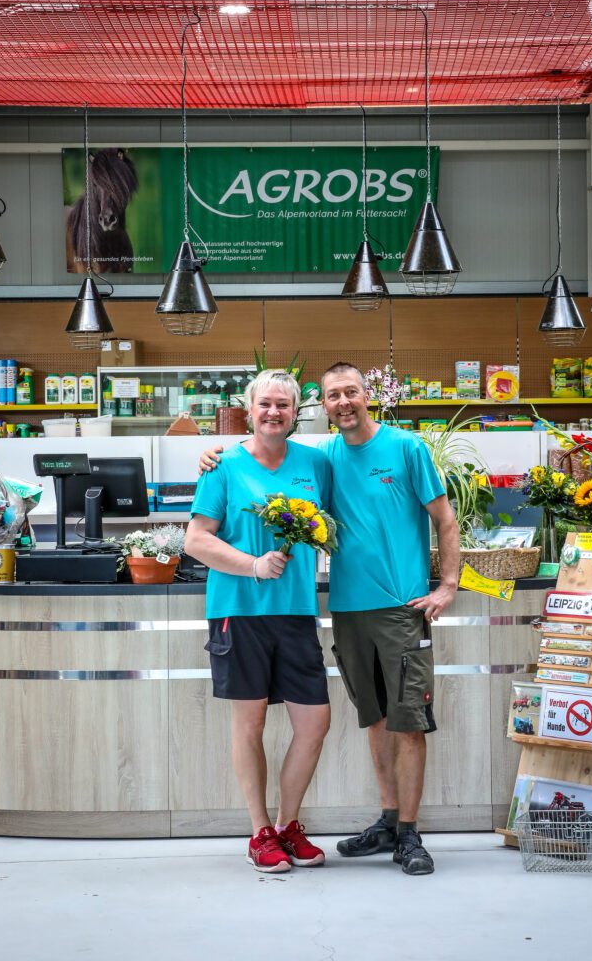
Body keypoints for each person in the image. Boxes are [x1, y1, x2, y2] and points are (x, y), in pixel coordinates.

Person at [199, 361, 460, 876]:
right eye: (334, 395)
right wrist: (212, 454)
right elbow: (210, 520)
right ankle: (367, 822)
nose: (343, 402)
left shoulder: (387, 451)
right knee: (373, 718)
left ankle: (403, 834)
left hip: (389, 606)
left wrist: (448, 584)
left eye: (351, 392)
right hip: (335, 610)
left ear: (367, 396)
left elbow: (444, 518)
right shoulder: (310, 459)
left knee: (396, 722)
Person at [185, 369, 332, 874]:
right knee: (250, 724)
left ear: (295, 413)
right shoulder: (223, 465)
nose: (274, 412)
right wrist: (252, 565)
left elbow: (331, 522)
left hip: (296, 612)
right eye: (265, 404)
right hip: (239, 611)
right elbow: (196, 539)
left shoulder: (315, 463)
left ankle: (289, 826)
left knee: (314, 722)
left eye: (283, 405)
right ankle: (259, 832)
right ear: (249, 410)